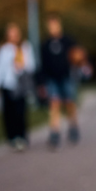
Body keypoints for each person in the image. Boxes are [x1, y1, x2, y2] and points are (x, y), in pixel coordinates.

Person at [0, 22, 35, 151]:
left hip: (20, 85)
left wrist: (21, 66)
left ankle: (22, 136)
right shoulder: (3, 48)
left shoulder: (25, 47)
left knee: (20, 112)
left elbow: (31, 65)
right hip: (7, 84)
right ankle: (12, 137)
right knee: (8, 113)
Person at [38, 13, 80, 149]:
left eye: (55, 24)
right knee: (54, 104)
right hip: (52, 79)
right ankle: (54, 132)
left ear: (59, 25)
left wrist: (79, 59)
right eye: (50, 25)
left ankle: (73, 127)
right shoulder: (45, 44)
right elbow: (43, 65)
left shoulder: (68, 40)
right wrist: (41, 83)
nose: (53, 27)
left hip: (66, 77)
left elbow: (77, 54)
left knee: (69, 103)